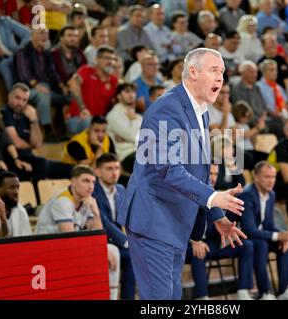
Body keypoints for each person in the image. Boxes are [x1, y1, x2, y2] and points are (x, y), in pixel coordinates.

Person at [116, 48, 247, 300]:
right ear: (193, 73)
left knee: (171, 298)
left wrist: (217, 216)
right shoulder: (165, 108)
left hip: (175, 222)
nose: (221, 78)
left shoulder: (201, 111)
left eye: (222, 72)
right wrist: (213, 197)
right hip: (153, 220)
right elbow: (168, 169)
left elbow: (198, 172)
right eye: (214, 71)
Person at [35, 165, 121, 299]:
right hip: (47, 249)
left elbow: (97, 234)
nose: (91, 186)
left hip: (66, 248)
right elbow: (69, 237)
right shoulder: (63, 200)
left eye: (93, 182)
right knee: (105, 252)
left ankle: (110, 296)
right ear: (73, 181)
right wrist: (101, 250)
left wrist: (96, 213)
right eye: (85, 181)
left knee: (112, 250)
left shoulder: (87, 200)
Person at [238, 161, 288, 300]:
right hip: (245, 238)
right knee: (262, 244)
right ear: (256, 177)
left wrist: (283, 235)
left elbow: (269, 224)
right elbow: (249, 230)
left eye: (273, 177)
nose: (271, 181)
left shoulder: (272, 195)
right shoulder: (247, 195)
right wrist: (277, 236)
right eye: (267, 177)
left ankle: (285, 290)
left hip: (260, 236)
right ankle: (265, 292)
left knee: (285, 245)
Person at [187, 163, 254, 300]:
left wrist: (230, 220)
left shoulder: (218, 195)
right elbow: (179, 223)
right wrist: (194, 241)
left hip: (213, 242)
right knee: (199, 252)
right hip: (190, 244)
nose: (212, 178)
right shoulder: (189, 193)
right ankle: (202, 297)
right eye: (210, 173)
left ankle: (243, 291)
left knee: (247, 245)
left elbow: (217, 227)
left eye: (215, 174)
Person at [1, 83, 73, 180]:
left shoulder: (26, 114)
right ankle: (36, 193)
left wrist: (33, 120)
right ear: (10, 96)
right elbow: (16, 143)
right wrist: (31, 145)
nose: (20, 103)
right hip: (13, 159)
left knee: (70, 169)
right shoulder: (4, 113)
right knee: (41, 163)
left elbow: (38, 143)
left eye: (24, 100)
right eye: (17, 98)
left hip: (30, 158)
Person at [93, 153, 135, 299]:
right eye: (109, 169)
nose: (114, 172)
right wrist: (126, 241)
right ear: (98, 171)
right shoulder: (92, 190)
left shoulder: (121, 189)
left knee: (134, 257)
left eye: (117, 168)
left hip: (116, 241)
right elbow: (103, 221)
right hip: (98, 243)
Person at [67, 46, 118, 134]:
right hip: (79, 118)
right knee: (90, 123)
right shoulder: (86, 70)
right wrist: (82, 108)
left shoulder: (114, 80)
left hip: (101, 121)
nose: (111, 62)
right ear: (97, 59)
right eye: (107, 58)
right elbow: (72, 83)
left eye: (114, 59)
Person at [106, 82, 142, 172]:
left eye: (133, 92)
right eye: (127, 91)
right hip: (126, 156)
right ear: (118, 96)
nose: (131, 95)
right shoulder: (113, 115)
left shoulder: (137, 116)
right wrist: (133, 121)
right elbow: (133, 136)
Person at [0, 171, 31, 237]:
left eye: (17, 187)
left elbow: (27, 239)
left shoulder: (21, 210)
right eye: (11, 188)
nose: (16, 192)